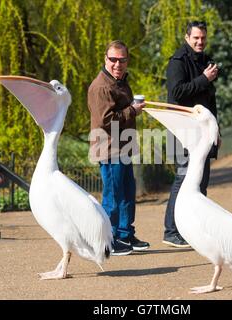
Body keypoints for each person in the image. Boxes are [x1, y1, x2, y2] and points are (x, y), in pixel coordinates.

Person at [87, 40, 149, 255]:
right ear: (105, 59)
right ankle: (108, 240)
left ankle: (125, 234)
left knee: (127, 194)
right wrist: (132, 110)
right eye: (113, 59)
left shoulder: (120, 81)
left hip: (123, 148)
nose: (117, 64)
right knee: (112, 197)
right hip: (109, 150)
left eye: (122, 60)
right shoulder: (101, 86)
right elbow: (106, 121)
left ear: (127, 61)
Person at [162, 21, 220, 248]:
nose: (200, 42)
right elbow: (177, 93)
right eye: (196, 38)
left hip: (203, 131)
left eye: (203, 38)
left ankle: (192, 229)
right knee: (183, 177)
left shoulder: (206, 61)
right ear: (187, 38)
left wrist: (216, 130)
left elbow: (209, 101)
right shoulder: (177, 62)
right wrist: (204, 79)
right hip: (183, 131)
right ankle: (171, 230)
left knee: (200, 180)